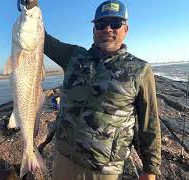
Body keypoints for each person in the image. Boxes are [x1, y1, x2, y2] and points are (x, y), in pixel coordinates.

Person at [43, 0, 161, 180]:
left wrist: (150, 169)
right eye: (101, 24)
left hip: (103, 170)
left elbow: (149, 123)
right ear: (93, 30)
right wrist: (31, 7)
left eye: (115, 24)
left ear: (126, 29)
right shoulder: (74, 57)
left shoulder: (140, 70)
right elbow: (40, 38)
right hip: (64, 159)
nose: (107, 29)